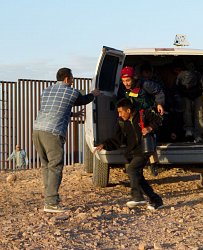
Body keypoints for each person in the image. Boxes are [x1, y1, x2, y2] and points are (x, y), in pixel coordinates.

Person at [32, 67, 100, 213]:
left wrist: (73, 114)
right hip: (53, 133)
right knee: (56, 166)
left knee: (46, 165)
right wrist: (93, 94)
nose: (73, 81)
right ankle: (51, 203)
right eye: (72, 78)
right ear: (67, 79)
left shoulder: (46, 91)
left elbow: (55, 109)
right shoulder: (72, 92)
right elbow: (83, 100)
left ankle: (48, 196)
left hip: (37, 130)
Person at [95, 98, 164, 210]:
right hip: (131, 153)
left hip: (144, 150)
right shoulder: (121, 122)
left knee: (131, 170)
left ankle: (137, 197)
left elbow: (159, 119)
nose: (119, 114)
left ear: (128, 110)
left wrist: (149, 128)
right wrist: (104, 145)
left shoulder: (143, 114)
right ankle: (156, 200)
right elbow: (117, 140)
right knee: (139, 178)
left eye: (121, 112)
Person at [175, 67, 203, 143]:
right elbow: (176, 89)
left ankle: (198, 134)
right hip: (185, 95)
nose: (189, 87)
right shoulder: (180, 77)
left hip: (198, 94)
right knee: (186, 110)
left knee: (199, 114)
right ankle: (188, 130)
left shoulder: (198, 75)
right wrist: (178, 98)